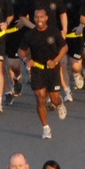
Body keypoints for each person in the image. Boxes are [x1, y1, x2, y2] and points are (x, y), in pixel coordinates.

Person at [25, 8, 67, 140]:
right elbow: (22, 51)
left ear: (46, 18)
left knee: (54, 98)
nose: (39, 20)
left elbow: (65, 47)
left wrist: (55, 61)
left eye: (41, 17)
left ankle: (60, 104)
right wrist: (26, 59)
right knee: (40, 97)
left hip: (52, 69)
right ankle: (46, 128)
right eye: (36, 17)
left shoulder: (53, 32)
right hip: (37, 69)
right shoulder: (30, 34)